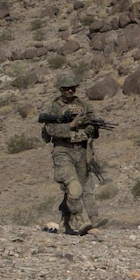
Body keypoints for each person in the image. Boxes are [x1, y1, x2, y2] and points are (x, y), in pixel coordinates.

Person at [38, 74, 104, 235]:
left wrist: (89, 129)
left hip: (81, 151)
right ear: (61, 89)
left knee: (78, 189)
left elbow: (93, 130)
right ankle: (80, 219)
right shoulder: (54, 107)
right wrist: (72, 126)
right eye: (67, 88)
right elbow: (50, 130)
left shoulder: (83, 105)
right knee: (74, 186)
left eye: (72, 88)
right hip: (62, 150)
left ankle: (64, 222)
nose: (70, 90)